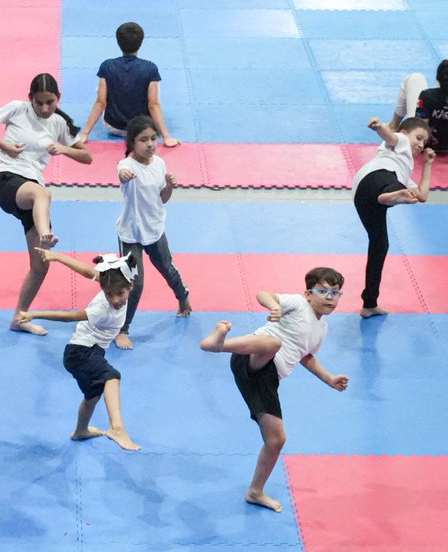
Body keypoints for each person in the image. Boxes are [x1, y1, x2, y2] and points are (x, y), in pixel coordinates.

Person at [200, 267, 350, 512]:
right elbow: (263, 294)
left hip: (266, 380)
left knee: (276, 440)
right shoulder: (298, 304)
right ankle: (218, 345)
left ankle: (255, 491)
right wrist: (274, 306)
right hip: (251, 357)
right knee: (274, 343)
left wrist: (329, 378)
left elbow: (306, 356)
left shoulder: (322, 329)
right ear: (308, 294)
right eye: (323, 291)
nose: (329, 297)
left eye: (335, 293)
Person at [0, 73, 92, 335]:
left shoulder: (59, 123)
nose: (45, 108)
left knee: (41, 265)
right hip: (9, 180)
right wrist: (5, 145)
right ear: (30, 99)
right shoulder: (17, 108)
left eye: (50, 102)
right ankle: (46, 235)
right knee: (43, 194)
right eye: (39, 103)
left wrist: (64, 149)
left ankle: (19, 318)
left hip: (33, 196)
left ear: (58, 99)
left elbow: (87, 157)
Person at [16, 251, 142, 452]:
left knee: (93, 395)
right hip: (81, 353)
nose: (115, 299)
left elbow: (87, 271)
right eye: (108, 294)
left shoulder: (112, 279)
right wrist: (35, 314)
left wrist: (57, 257)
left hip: (90, 353)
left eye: (120, 293)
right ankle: (117, 428)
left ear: (131, 286)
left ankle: (80, 431)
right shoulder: (102, 309)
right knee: (111, 376)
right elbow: (70, 317)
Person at [112, 114, 191, 350]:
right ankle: (123, 329)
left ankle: (183, 297)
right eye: (143, 140)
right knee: (134, 283)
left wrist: (170, 186)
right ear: (132, 143)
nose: (150, 144)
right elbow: (121, 172)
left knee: (168, 268)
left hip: (155, 230)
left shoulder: (159, 164)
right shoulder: (126, 165)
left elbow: (162, 199)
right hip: (131, 235)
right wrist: (124, 175)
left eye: (153, 138)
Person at [351, 116, 435, 318]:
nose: (421, 145)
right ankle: (389, 196)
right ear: (405, 133)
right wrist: (380, 127)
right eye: (419, 138)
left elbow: (422, 195)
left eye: (424, 142)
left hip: (363, 195)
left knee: (380, 245)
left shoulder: (404, 173)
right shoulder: (400, 142)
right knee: (397, 188)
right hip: (377, 177)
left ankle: (369, 304)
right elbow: (390, 137)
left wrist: (428, 164)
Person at [77, 21, 178, 146]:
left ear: (118, 42)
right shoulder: (150, 68)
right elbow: (153, 104)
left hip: (113, 127)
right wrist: (166, 137)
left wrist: (85, 133)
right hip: (142, 128)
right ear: (141, 42)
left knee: (103, 87)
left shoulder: (107, 65)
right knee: (153, 87)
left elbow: (100, 102)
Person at [390, 60, 448, 153]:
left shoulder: (427, 96)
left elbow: (420, 129)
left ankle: (393, 126)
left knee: (416, 78)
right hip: (433, 145)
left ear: (438, 79)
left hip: (424, 145)